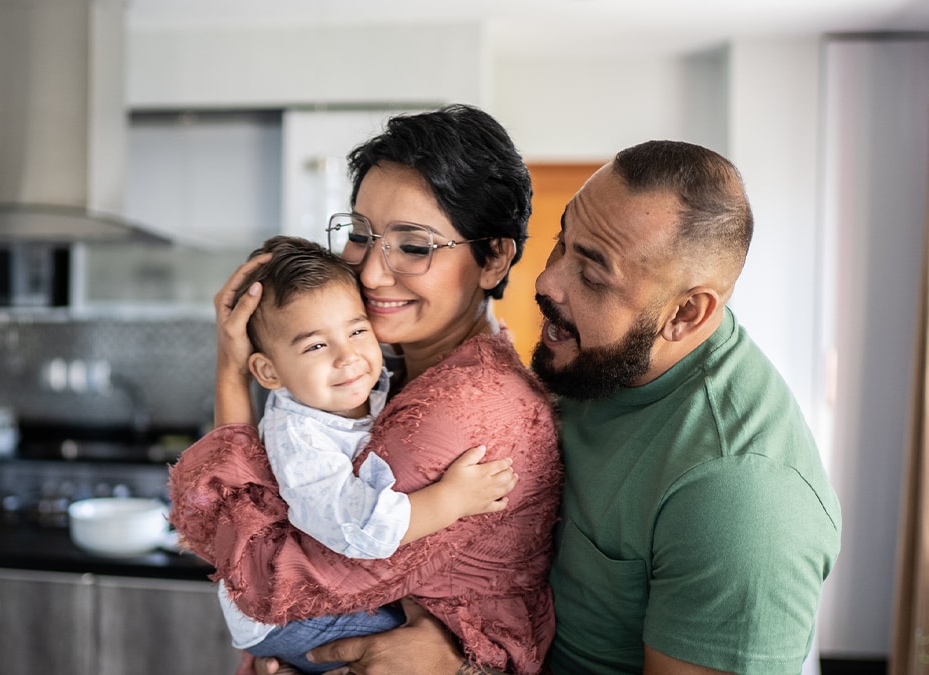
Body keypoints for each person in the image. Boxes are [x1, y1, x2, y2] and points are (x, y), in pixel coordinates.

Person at [303, 140, 843, 674]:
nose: (546, 280)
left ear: (686, 314)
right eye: (563, 242)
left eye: (591, 273)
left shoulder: (742, 498)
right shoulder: (589, 364)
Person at [168, 104, 563, 675]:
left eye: (414, 245)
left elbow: (269, 580)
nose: (371, 273)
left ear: (494, 257)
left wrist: (230, 375)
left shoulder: (459, 410)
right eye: (359, 235)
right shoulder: (388, 370)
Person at [213, 234, 520, 673]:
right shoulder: (300, 438)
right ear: (268, 370)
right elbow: (356, 527)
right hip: (285, 620)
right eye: (316, 345)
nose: (348, 357)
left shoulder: (349, 388)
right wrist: (452, 499)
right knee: (413, 636)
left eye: (358, 330)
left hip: (283, 611)